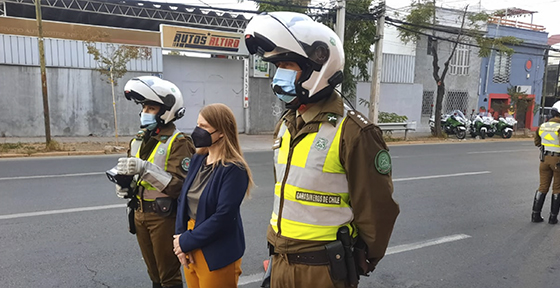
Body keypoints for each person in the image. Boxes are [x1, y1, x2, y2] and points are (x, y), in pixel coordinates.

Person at [244, 12, 400, 288]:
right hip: (279, 262)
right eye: (278, 65)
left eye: (288, 65)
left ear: (318, 64)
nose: (279, 74)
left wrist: (361, 258)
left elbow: (377, 208)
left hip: (323, 270)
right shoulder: (287, 125)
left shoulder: (353, 131)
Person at [114, 76, 195, 288]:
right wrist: (124, 185)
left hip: (163, 217)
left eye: (151, 108)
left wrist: (145, 169)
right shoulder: (138, 140)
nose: (144, 113)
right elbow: (134, 176)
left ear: (165, 110)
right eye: (144, 108)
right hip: (140, 213)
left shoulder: (179, 142)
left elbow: (180, 186)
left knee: (168, 275)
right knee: (154, 275)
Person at [173, 103, 254, 288]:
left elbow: (223, 216)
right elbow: (182, 200)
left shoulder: (234, 169)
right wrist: (180, 240)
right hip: (190, 241)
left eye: (204, 127)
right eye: (197, 125)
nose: (197, 131)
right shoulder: (197, 159)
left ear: (222, 132)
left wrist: (187, 241)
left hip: (217, 250)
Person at [533, 100, 560, 224]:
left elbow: (537, 143)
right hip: (558, 161)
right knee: (557, 189)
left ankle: (535, 215)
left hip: (544, 160)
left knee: (543, 187)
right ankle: (553, 218)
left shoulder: (543, 126)